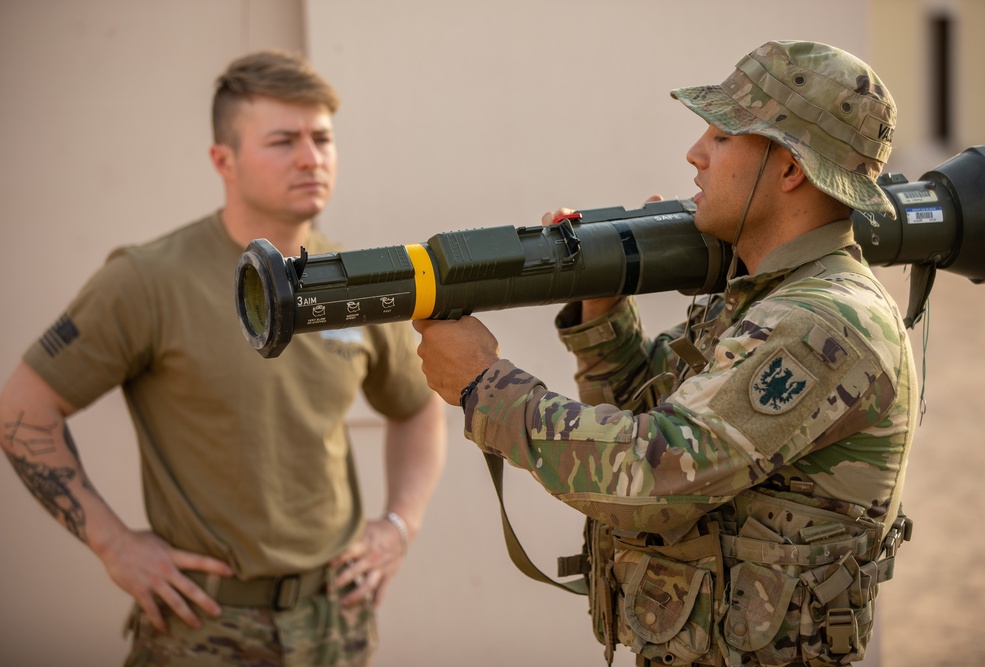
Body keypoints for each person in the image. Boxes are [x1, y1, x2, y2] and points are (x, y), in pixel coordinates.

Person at [413, 40, 915, 667]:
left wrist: (485, 387)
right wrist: (603, 309)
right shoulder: (763, 295)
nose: (695, 154)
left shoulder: (822, 322)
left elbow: (656, 475)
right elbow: (657, 416)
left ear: (790, 170)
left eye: (723, 137)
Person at [0, 49, 446, 666]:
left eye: (322, 138)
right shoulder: (146, 280)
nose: (311, 157)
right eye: (284, 140)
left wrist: (401, 526)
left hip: (334, 625)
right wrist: (114, 545)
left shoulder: (356, 280)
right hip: (203, 629)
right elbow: (24, 406)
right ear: (223, 160)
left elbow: (419, 408)